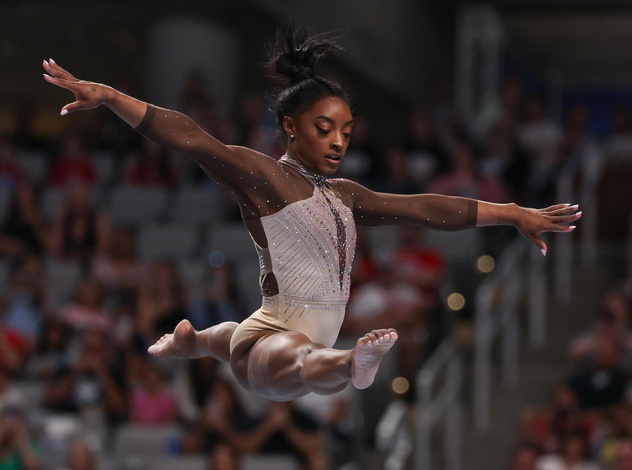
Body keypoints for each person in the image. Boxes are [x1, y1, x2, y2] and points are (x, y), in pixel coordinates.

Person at [42, 29, 581, 402]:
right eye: (325, 129)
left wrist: (511, 212)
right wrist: (111, 96)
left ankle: (195, 341)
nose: (339, 142)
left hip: (270, 336)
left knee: (274, 350)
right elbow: (189, 137)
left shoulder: (344, 194)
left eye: (347, 131)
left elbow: (423, 207)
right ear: (292, 127)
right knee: (300, 357)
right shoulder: (263, 177)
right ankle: (349, 364)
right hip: (272, 348)